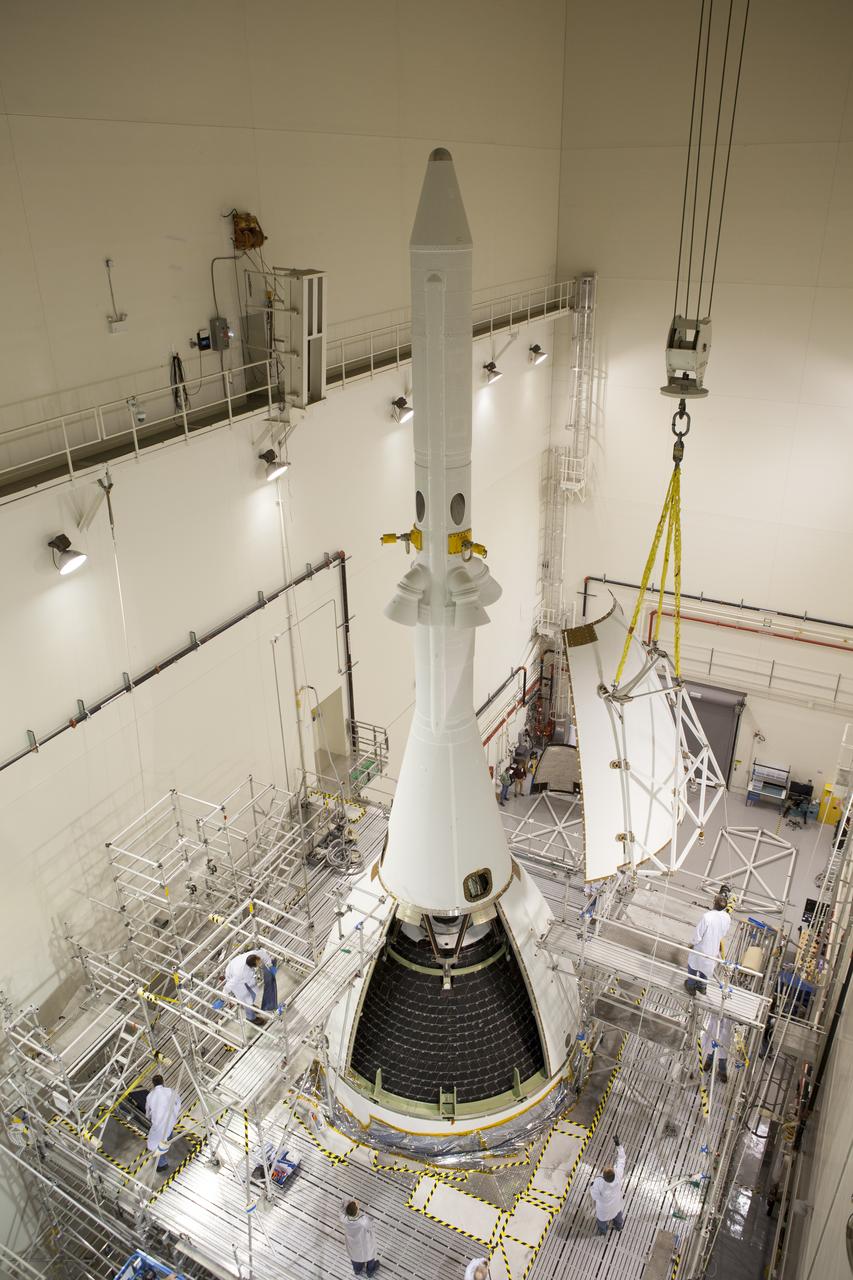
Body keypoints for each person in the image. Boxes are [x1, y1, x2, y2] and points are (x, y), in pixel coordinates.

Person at [684, 892, 731, 995]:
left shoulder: (707, 917)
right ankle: (702, 987)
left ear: (714, 903)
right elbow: (724, 932)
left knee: (693, 964)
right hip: (713, 947)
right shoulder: (727, 917)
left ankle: (691, 986)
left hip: (702, 947)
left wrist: (691, 943)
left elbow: (698, 934)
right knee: (706, 967)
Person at [589, 1136, 627, 1235]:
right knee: (618, 1217)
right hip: (616, 1206)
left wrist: (591, 1186)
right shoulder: (618, 1175)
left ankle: (603, 1231)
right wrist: (618, 1145)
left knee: (601, 1222)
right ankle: (618, 1227)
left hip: (603, 1211)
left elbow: (594, 1196)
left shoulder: (598, 1182)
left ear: (604, 1176)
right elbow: (622, 1159)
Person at [145, 1074, 182, 1173]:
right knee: (166, 1137)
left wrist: (149, 1116)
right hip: (170, 1122)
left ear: (153, 1084)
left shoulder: (150, 1096)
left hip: (159, 1126)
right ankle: (168, 1143)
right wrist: (174, 1112)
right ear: (163, 1081)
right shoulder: (169, 1091)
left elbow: (147, 1111)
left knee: (156, 1144)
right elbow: (178, 1101)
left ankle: (162, 1164)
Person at [340, 1199, 379, 1275]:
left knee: (355, 1259)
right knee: (370, 1257)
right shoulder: (363, 1221)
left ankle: (357, 1270)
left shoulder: (343, 1218)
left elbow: (342, 1206)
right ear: (357, 1211)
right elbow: (371, 1226)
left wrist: (349, 1203)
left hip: (353, 1245)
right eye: (357, 1206)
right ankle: (370, 1271)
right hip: (365, 1245)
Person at [701, 1013, 730, 1083]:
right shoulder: (714, 1015)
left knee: (722, 1058)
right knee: (711, 1052)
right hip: (714, 1032)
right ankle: (709, 1062)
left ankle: (722, 1071)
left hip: (724, 1036)